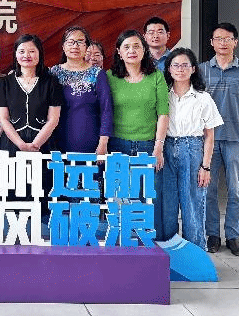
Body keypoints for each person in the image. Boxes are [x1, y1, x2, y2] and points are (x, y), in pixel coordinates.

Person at [200, 23, 239, 257]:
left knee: (236, 190)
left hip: (236, 139)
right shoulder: (202, 70)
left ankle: (233, 236)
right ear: (211, 43)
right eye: (218, 38)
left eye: (227, 39)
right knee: (209, 190)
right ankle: (213, 235)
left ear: (235, 42)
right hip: (209, 140)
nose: (223, 43)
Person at [160, 48, 223, 249]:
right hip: (166, 148)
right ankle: (169, 252)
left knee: (193, 204)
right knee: (167, 204)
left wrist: (206, 167)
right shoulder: (162, 95)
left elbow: (210, 135)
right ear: (169, 69)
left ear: (193, 69)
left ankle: (194, 253)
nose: (180, 69)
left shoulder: (203, 98)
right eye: (175, 65)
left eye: (185, 65)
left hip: (193, 149)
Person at [106, 30, 169, 173]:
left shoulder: (156, 76)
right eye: (126, 47)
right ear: (119, 52)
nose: (132, 51)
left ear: (144, 50)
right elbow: (103, 111)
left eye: (136, 46)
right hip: (117, 144)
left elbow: (163, 114)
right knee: (119, 187)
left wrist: (158, 147)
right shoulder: (109, 76)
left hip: (148, 145)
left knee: (145, 187)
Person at [49, 27, 112, 156]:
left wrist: (103, 143)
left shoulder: (97, 74)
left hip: (90, 141)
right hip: (57, 141)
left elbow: (106, 109)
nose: (75, 46)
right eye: (70, 42)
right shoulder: (53, 73)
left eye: (80, 42)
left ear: (87, 47)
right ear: (63, 46)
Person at [0, 34, 63, 155]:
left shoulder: (51, 82)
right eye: (22, 51)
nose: (26, 55)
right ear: (16, 54)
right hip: (12, 144)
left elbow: (53, 119)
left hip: (44, 144)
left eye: (32, 51)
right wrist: (20, 145)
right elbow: (3, 119)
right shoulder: (4, 83)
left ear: (39, 54)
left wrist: (36, 144)